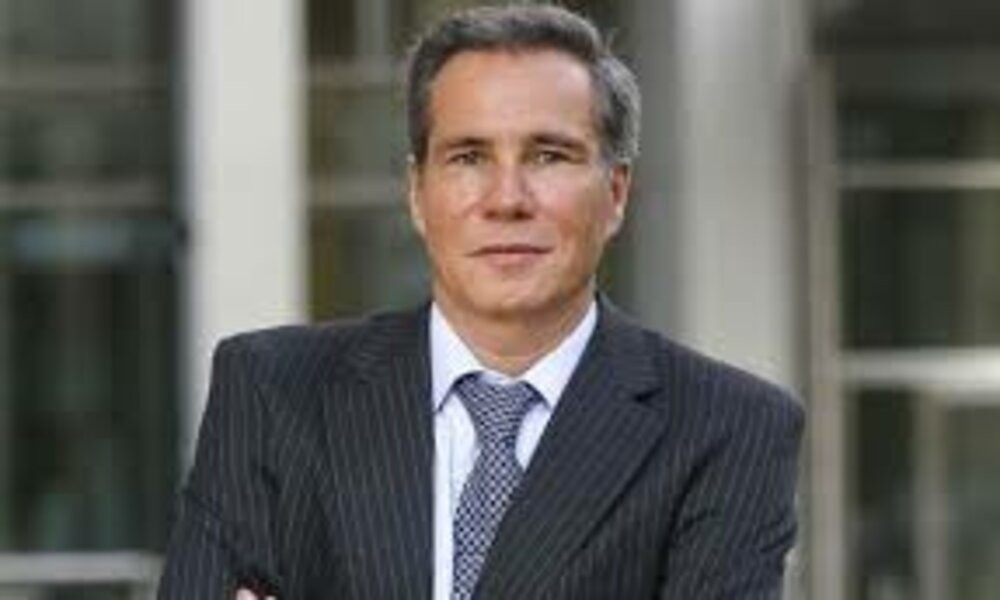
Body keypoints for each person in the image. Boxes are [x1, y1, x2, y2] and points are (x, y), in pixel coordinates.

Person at [158, 4, 804, 599]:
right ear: (418, 193)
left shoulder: (728, 428)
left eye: (548, 156)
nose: (506, 199)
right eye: (469, 157)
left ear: (615, 193)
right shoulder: (274, 392)